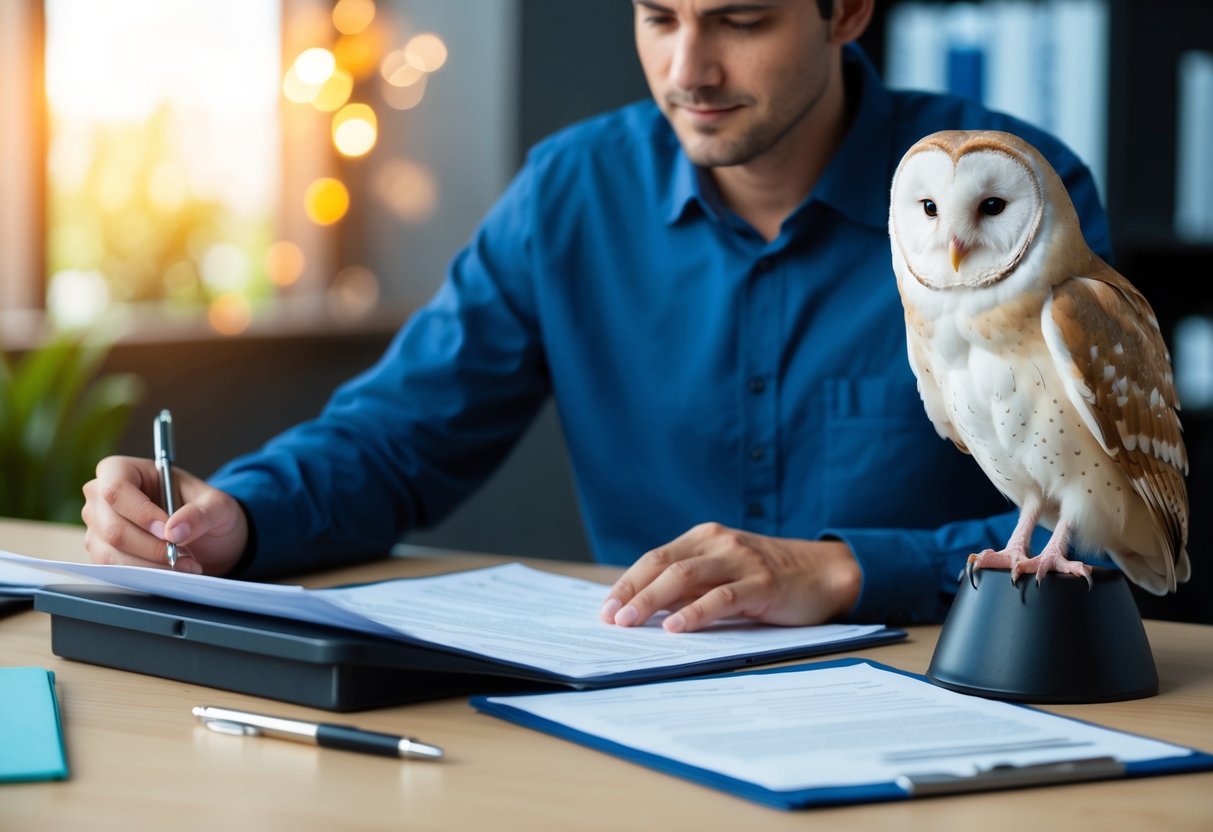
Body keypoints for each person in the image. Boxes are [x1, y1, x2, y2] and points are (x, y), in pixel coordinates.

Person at [82, 0, 1110, 632]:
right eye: (658, 16)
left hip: (943, 699)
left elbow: (1100, 521)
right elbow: (396, 438)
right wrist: (236, 518)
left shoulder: (1009, 195)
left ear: (844, 12)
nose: (687, 71)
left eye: (739, 21)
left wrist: (842, 570)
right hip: (641, 704)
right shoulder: (571, 191)